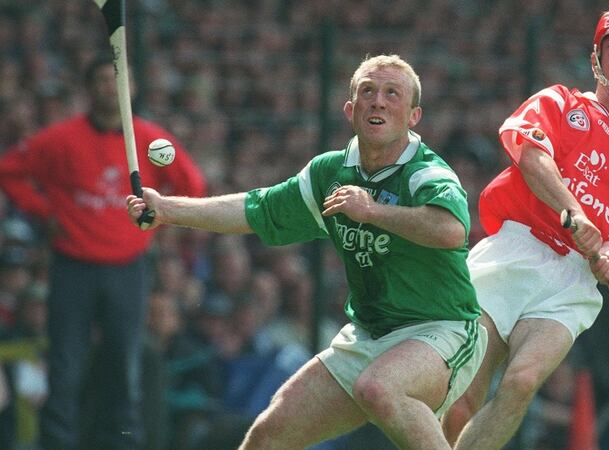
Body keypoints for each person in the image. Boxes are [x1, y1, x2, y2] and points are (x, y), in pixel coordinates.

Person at [126, 54, 487, 450]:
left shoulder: (427, 172)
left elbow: (451, 230)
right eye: (367, 91)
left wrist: (372, 212)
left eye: (391, 94)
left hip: (441, 329)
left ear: (413, 115)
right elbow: (256, 209)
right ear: (351, 109)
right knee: (267, 436)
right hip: (369, 334)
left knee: (379, 387)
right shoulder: (328, 173)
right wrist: (166, 209)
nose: (378, 101)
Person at [442, 3, 609, 449]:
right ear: (596, 61)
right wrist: (576, 211)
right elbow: (531, 154)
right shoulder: (558, 101)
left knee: (522, 382)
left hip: (572, 281)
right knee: (462, 394)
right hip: (514, 251)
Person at [0, 54, 206, 450]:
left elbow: (193, 186)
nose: (109, 89)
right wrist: (45, 213)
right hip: (72, 267)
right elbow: (10, 170)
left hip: (128, 271)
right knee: (64, 370)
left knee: (125, 371)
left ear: (133, 89)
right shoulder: (60, 140)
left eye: (118, 81)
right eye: (100, 80)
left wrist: (162, 216)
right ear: (87, 87)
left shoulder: (151, 142)